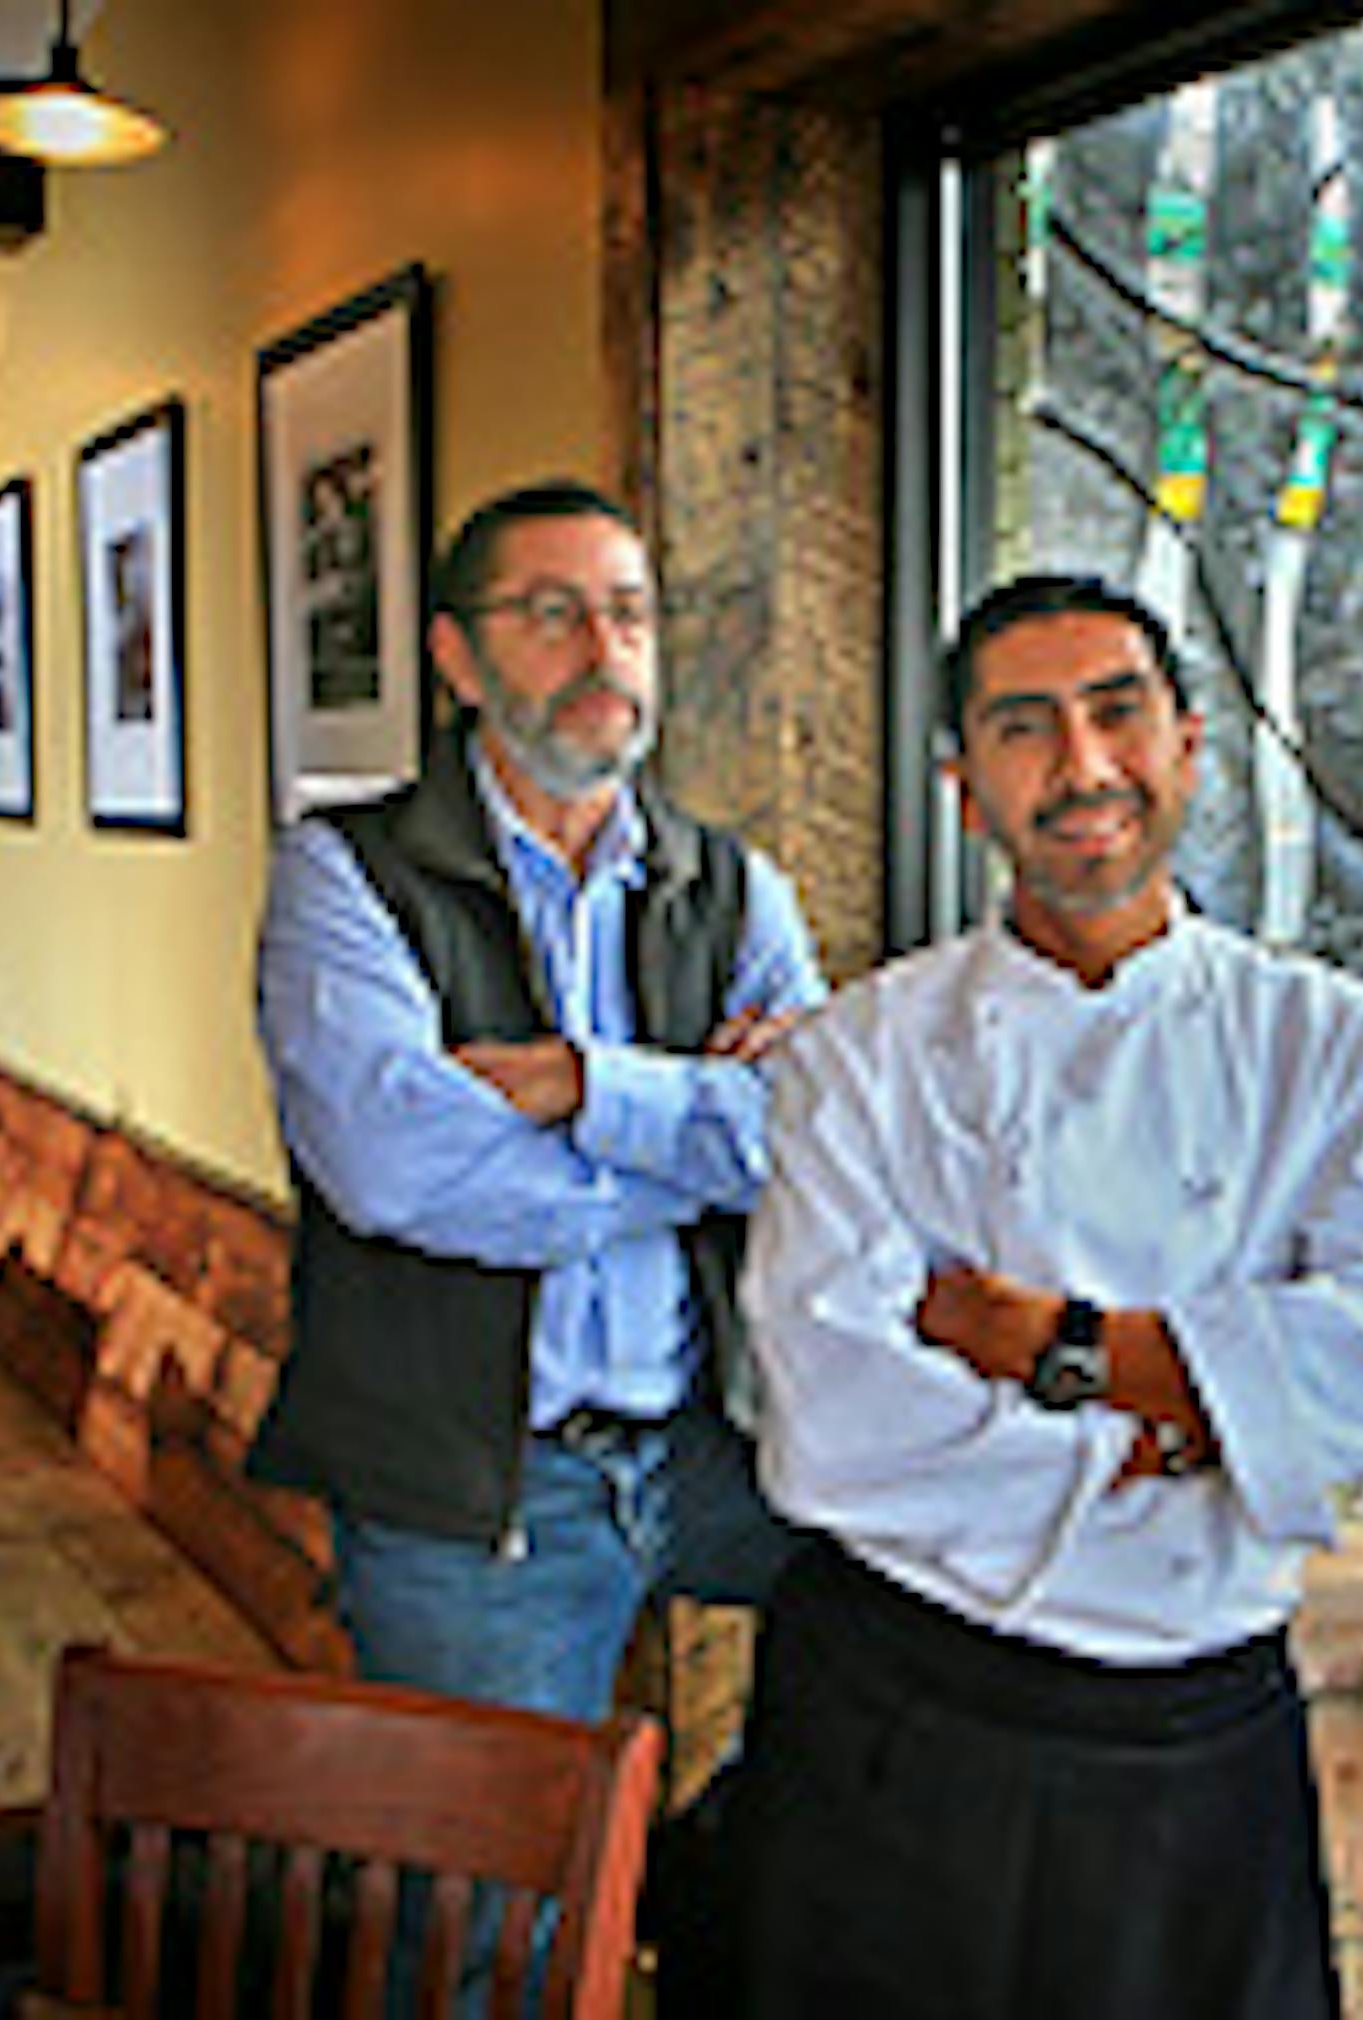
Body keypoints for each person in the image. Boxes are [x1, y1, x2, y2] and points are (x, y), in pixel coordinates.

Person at [729, 573, 1363, 2019]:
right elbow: (829, 1426)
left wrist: (1050, 1345)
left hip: (1196, 1730)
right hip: (901, 1717)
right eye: (1024, 727)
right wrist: (1196, 1422)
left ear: (1189, 745)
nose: (1081, 767)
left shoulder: (1317, 1038)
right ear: (964, 789)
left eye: (1117, 712)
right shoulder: (857, 1056)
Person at [250, 478, 825, 1730]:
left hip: (722, 1444)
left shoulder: (732, 887)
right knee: (490, 1861)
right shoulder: (345, 874)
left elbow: (826, 1142)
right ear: (456, 658)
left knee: (900, 1681)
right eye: (552, 613)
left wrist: (591, 1089)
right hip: (476, 1493)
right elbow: (400, 1171)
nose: (604, 648)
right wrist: (705, 1134)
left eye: (630, 612)